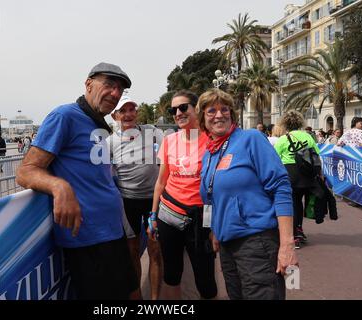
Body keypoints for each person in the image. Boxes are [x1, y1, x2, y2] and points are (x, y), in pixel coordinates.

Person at [16, 62, 139, 300]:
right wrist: (59, 186)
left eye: (120, 90)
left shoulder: (97, 124)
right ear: (89, 84)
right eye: (110, 85)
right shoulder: (65, 116)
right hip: (90, 238)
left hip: (112, 230)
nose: (115, 94)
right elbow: (26, 171)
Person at [198, 88, 297, 300]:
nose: (219, 115)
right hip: (227, 246)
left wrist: (287, 244)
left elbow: (280, 187)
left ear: (232, 114)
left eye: (224, 109)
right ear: (202, 119)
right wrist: (214, 229)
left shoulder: (250, 138)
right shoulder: (209, 153)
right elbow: (209, 197)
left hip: (256, 242)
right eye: (211, 111)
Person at [149, 90, 217, 300]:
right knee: (171, 275)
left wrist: (216, 225)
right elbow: (161, 181)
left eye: (183, 107)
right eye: (173, 110)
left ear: (197, 109)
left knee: (205, 279)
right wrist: (153, 216)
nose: (178, 113)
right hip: (169, 214)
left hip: (201, 217)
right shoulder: (169, 141)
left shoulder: (213, 140)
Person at [107, 94, 164, 300]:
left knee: (155, 251)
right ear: (115, 116)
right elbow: (100, 174)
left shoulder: (152, 132)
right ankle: (137, 298)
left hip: (153, 201)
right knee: (132, 253)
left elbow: (174, 147)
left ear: (137, 112)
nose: (128, 114)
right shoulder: (109, 142)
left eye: (132, 110)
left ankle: (155, 300)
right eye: (123, 111)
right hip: (127, 202)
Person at [274, 111, 321, 249]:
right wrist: (321, 174)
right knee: (300, 203)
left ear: (285, 123)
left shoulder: (282, 139)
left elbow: (275, 159)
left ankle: (294, 233)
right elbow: (316, 155)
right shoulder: (307, 136)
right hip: (306, 173)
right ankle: (299, 229)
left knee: (292, 203)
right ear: (300, 122)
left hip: (289, 173)